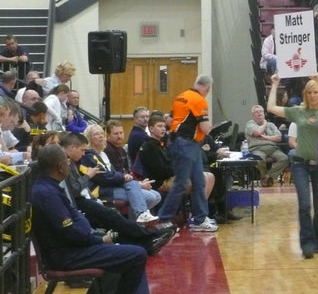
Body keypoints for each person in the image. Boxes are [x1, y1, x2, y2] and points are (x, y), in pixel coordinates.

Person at [31, 144, 150, 294]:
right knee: (137, 255)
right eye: (66, 161)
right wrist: (99, 240)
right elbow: (70, 232)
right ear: (60, 167)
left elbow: (74, 218)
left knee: (129, 248)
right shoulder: (48, 195)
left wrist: (93, 235)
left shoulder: (48, 188)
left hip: (72, 248)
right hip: (67, 256)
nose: (69, 163)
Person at [268, 73, 318, 259]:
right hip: (300, 164)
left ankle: (317, 241)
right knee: (305, 205)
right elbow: (272, 108)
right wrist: (275, 84)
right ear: (305, 94)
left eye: (316, 92)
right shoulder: (298, 111)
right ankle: (306, 244)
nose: (313, 95)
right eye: (310, 92)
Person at [156, 75, 218, 232]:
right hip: (186, 144)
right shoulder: (199, 100)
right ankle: (163, 219)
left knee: (199, 181)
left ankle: (199, 219)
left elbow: (170, 120)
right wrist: (208, 127)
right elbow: (205, 128)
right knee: (181, 183)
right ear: (208, 89)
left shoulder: (181, 96)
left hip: (184, 142)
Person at [245, 105, 288, 187]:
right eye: (256, 112)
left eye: (261, 111)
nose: (259, 113)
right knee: (259, 159)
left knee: (285, 159)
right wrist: (264, 124)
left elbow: (279, 137)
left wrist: (266, 137)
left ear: (264, 114)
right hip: (257, 148)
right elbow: (257, 132)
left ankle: (267, 177)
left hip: (273, 149)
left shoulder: (271, 125)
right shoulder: (250, 124)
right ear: (253, 116)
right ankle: (264, 176)